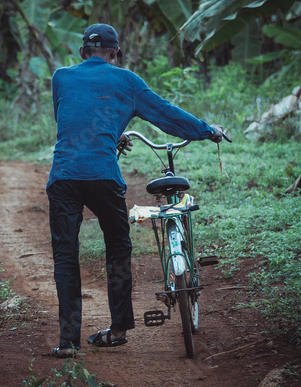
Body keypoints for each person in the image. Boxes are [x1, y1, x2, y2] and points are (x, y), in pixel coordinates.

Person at [47, 23, 224, 358]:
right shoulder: (127, 81)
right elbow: (166, 115)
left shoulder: (61, 77)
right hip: (102, 176)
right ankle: (117, 330)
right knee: (117, 249)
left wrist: (113, 133)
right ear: (115, 53)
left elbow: (72, 120)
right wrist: (206, 130)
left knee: (66, 258)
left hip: (64, 177)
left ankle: (67, 342)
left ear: (82, 52)